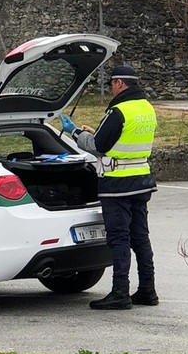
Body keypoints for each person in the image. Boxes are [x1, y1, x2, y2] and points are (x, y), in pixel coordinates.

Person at [60, 65, 159, 310]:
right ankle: (147, 290)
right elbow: (123, 139)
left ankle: (120, 292)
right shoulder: (146, 107)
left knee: (119, 238)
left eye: (111, 84)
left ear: (120, 83)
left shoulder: (118, 111)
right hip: (141, 180)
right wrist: (95, 133)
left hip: (117, 184)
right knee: (140, 238)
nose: (111, 88)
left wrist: (74, 132)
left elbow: (97, 146)